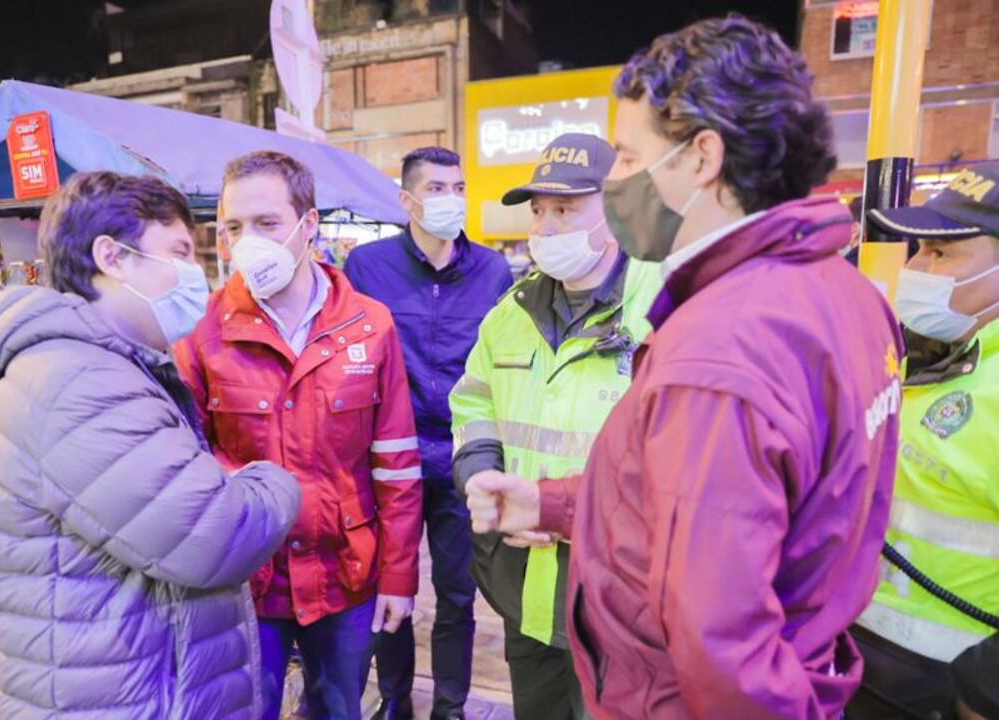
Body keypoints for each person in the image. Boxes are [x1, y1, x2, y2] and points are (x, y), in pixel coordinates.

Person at [464, 15, 903, 717]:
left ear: (702, 157)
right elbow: (694, 495)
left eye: (631, 159)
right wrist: (552, 504)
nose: (620, 185)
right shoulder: (847, 292)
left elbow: (723, 653)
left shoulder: (719, 347)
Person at [0, 171, 301, 719]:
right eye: (177, 253)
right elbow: (212, 534)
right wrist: (272, 479)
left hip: (114, 674)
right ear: (113, 257)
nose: (193, 274)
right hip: (114, 691)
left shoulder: (97, 364)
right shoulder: (83, 381)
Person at [175, 150, 423, 720]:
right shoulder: (201, 332)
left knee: (338, 710)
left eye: (267, 224)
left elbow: (398, 468)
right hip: (245, 583)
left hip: (347, 579)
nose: (247, 241)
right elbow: (184, 464)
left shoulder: (370, 325)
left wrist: (400, 576)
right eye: (234, 227)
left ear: (308, 226)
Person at [449, 132, 661, 720]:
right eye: (538, 210)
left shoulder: (663, 309)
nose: (544, 227)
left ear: (615, 210)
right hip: (526, 591)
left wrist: (561, 509)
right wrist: (483, 479)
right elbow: (472, 406)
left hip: (621, 604)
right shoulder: (509, 316)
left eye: (565, 209)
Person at [343, 146, 512, 720]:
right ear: (407, 200)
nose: (451, 199)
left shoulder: (492, 270)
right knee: (391, 591)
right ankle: (394, 700)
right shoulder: (368, 267)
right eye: (437, 188)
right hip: (389, 457)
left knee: (459, 595)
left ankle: (450, 706)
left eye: (458, 187)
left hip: (462, 456)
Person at [846, 161, 999, 719]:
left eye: (943, 253)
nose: (917, 268)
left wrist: (985, 694)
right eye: (920, 249)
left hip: (950, 685)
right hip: (868, 657)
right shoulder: (930, 352)